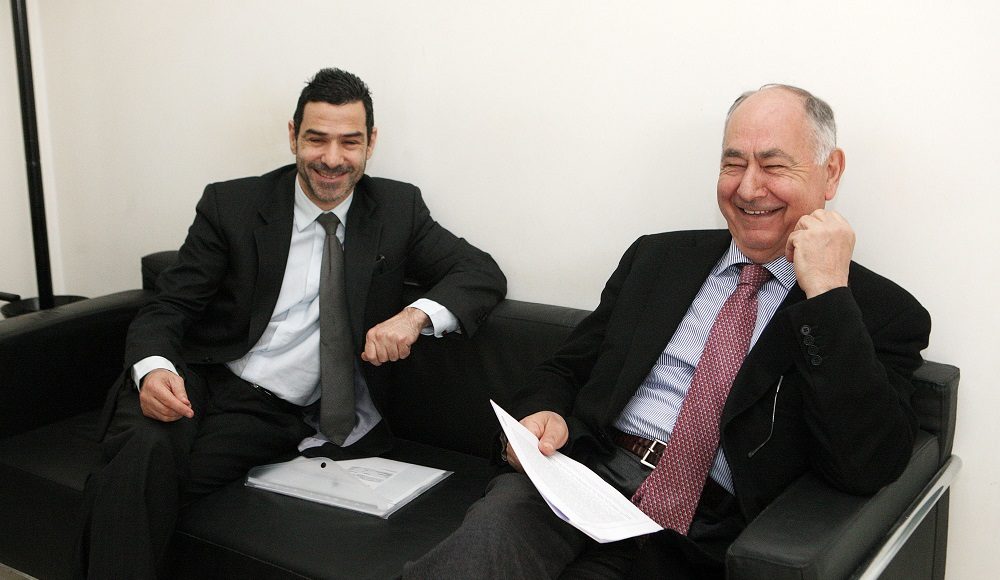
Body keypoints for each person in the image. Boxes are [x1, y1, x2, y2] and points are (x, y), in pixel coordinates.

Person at [403, 84, 931, 579]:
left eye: (773, 166)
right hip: (582, 479)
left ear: (830, 172)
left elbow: (866, 465)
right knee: (485, 544)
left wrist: (828, 297)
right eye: (733, 163)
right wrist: (541, 414)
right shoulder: (657, 259)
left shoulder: (878, 312)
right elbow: (567, 368)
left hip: (698, 533)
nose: (749, 188)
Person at [76, 67, 506, 579]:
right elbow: (168, 306)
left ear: (371, 142)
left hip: (270, 411)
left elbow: (481, 272)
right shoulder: (232, 205)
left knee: (141, 479)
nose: (332, 158)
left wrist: (415, 317)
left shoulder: (397, 209)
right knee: (146, 450)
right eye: (316, 139)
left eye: (350, 142)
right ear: (292, 136)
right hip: (195, 372)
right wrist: (152, 370)